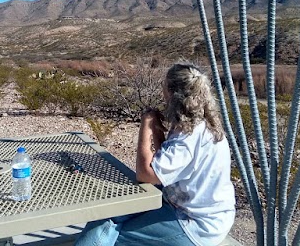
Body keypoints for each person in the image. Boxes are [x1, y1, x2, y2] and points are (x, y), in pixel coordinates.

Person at [75, 62, 236, 246]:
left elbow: (146, 174)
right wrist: (158, 133)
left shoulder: (189, 136)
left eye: (164, 86)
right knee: (109, 212)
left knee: (110, 235)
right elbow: (164, 164)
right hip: (190, 207)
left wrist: (147, 123)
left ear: (173, 94)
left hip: (195, 223)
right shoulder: (197, 123)